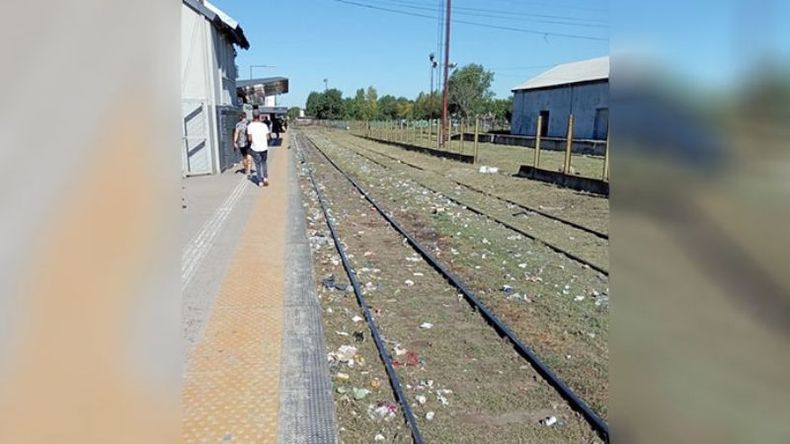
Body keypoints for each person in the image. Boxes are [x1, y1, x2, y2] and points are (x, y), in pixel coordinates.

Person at [246, 112, 271, 187]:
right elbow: (268, 137)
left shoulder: (250, 126)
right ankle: (265, 178)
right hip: (264, 147)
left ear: (253, 116)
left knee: (257, 165)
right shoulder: (264, 125)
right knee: (264, 163)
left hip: (255, 148)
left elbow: (249, 139)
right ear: (259, 116)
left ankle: (260, 181)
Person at [233, 113, 252, 177]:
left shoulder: (238, 124)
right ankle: (249, 170)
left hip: (241, 143)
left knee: (244, 157)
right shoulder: (249, 123)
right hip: (249, 142)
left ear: (241, 117)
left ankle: (246, 170)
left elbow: (236, 133)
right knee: (249, 156)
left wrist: (235, 142)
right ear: (246, 116)